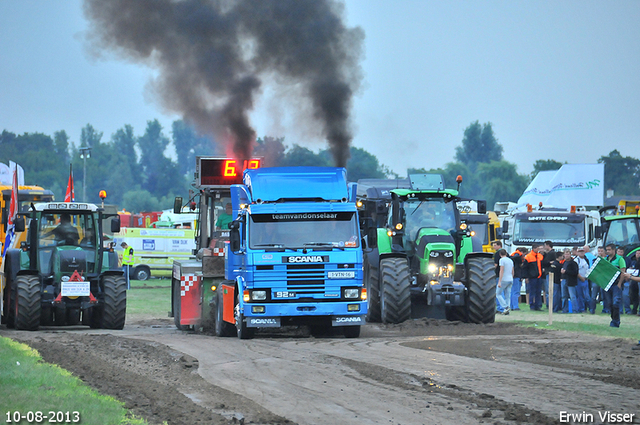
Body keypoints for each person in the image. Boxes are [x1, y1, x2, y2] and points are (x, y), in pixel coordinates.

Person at [603, 243, 625, 328]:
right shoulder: (605, 259)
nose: (607, 251)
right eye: (607, 250)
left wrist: (620, 284)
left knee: (616, 303)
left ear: (613, 250)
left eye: (609, 250)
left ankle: (615, 322)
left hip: (616, 284)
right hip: (608, 285)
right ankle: (613, 319)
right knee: (609, 304)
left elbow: (623, 272)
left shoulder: (620, 259)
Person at [523, 243, 544, 311]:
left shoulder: (540, 256)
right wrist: (526, 277)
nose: (538, 250)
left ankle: (538, 306)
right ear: (534, 248)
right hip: (532, 277)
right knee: (532, 292)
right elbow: (525, 268)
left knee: (538, 292)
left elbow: (542, 264)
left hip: (539, 276)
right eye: (537, 248)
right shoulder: (528, 257)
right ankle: (532, 305)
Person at [560, 248, 579, 313]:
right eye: (565, 254)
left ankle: (574, 310)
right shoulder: (564, 262)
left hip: (571, 281)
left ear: (570, 255)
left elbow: (575, 272)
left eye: (568, 254)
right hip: (564, 280)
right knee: (564, 296)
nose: (566, 256)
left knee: (572, 296)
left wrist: (566, 272)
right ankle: (564, 309)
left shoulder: (573, 263)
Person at [496, 249, 514, 315]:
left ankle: (505, 307)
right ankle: (508, 308)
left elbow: (501, 270)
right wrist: (512, 277)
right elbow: (512, 271)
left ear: (500, 254)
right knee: (507, 295)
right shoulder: (510, 260)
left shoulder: (501, 260)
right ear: (506, 254)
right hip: (510, 279)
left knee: (498, 294)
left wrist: (499, 281)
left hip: (504, 279)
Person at [623, 250, 640, 315]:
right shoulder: (633, 262)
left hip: (635, 279)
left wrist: (630, 276)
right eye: (637, 253)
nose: (638, 254)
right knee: (634, 295)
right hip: (634, 281)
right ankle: (634, 310)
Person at [574, 247, 591, 313]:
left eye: (582, 251)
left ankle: (589, 308)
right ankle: (581, 309)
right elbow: (576, 271)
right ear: (577, 253)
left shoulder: (586, 260)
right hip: (579, 280)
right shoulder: (576, 260)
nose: (581, 253)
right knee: (580, 295)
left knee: (587, 296)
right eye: (580, 251)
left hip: (586, 279)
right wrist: (581, 278)